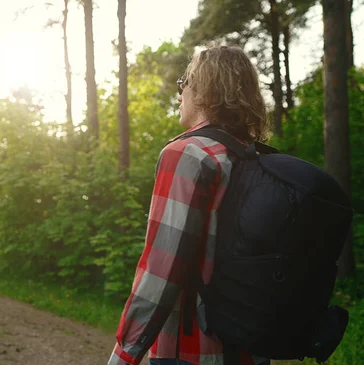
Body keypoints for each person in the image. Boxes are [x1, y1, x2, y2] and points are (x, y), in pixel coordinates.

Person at [108, 45, 272, 365]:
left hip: (191, 350)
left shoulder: (188, 153)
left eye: (185, 80)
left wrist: (124, 354)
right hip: (251, 349)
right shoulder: (259, 158)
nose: (180, 90)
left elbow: (162, 269)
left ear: (205, 89)